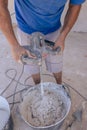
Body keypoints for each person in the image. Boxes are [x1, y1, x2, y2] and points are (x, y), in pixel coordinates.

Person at [0, 0, 85, 84]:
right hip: (26, 28)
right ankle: (37, 85)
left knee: (56, 62)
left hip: (53, 28)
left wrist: (63, 36)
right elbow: (1, 4)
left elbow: (75, 5)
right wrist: (14, 45)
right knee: (32, 64)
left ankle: (59, 84)